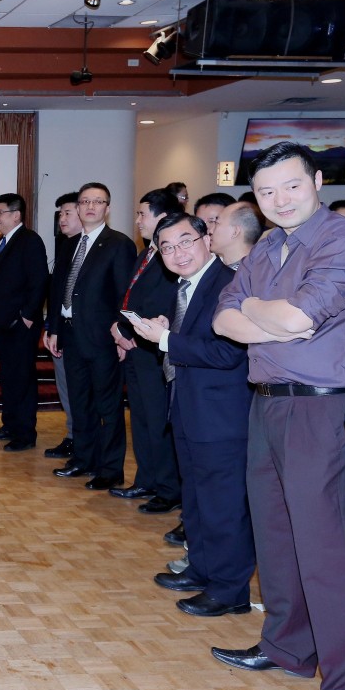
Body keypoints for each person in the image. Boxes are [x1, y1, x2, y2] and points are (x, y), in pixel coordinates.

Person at [212, 141, 345, 690]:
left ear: (317, 181)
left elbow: (297, 318)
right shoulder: (266, 245)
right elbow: (223, 319)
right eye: (266, 191)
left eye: (291, 185)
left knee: (325, 553)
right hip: (267, 404)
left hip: (321, 409)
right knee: (277, 538)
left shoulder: (342, 240)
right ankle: (287, 645)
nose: (280, 199)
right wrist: (273, 316)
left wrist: (263, 313)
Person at [131, 213, 255, 618]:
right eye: (166, 247)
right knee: (198, 500)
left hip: (221, 417)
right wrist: (169, 328)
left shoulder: (229, 283)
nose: (177, 253)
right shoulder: (186, 285)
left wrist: (167, 339)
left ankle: (230, 590)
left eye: (185, 241)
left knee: (223, 506)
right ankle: (202, 569)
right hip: (188, 409)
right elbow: (195, 337)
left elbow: (229, 352)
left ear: (207, 239)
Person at [46, 182, 138, 491]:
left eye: (97, 202)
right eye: (85, 201)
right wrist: (54, 328)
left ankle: (110, 469)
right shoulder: (70, 243)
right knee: (79, 401)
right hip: (71, 334)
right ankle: (83, 459)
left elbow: (125, 294)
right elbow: (60, 289)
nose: (90, 207)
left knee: (107, 406)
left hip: (102, 338)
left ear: (107, 208)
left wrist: (121, 333)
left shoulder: (119, 244)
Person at [109, 188, 180, 512]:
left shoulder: (170, 258)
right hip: (135, 347)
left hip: (154, 350)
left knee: (157, 420)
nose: (137, 220)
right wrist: (120, 329)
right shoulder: (146, 253)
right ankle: (146, 479)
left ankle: (168, 489)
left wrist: (133, 333)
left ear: (162, 217)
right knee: (140, 418)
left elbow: (162, 304)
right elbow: (130, 296)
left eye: (142, 214)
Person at [0, 193, 47, 451]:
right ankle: (10, 425)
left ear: (16, 215)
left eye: (0, 213)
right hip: (3, 322)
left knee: (22, 378)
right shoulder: (5, 241)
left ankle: (25, 433)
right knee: (9, 377)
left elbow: (39, 280)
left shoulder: (29, 240)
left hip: (20, 324)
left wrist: (26, 316)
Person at [43, 192, 80, 460]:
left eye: (67, 213)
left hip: (85, 333)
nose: (62, 219)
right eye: (60, 214)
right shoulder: (65, 246)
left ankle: (81, 438)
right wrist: (51, 327)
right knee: (65, 386)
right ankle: (73, 435)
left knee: (81, 390)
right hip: (61, 330)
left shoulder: (101, 246)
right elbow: (56, 293)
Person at [209, 202, 263, 271]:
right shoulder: (214, 266)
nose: (210, 231)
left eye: (217, 223)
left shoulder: (250, 274)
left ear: (235, 232)